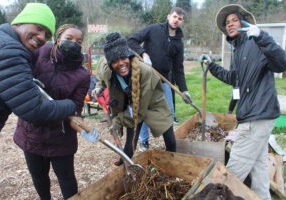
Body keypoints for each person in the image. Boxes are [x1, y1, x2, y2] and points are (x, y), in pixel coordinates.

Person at [199, 4, 286, 200]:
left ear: (244, 22)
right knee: (259, 172)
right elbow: (234, 79)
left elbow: (281, 62)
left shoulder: (256, 42)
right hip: (256, 115)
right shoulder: (238, 51)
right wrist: (211, 66)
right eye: (227, 23)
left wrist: (262, 36)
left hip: (257, 115)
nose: (229, 24)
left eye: (234, 20)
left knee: (231, 174)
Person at [13, 24, 90, 200]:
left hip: (61, 136)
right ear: (58, 39)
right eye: (69, 38)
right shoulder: (40, 53)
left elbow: (76, 106)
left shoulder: (82, 75)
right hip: (31, 132)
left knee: (67, 179)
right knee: (39, 177)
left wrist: (74, 118)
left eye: (79, 41)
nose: (74, 43)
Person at [94, 32, 176, 166]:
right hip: (130, 104)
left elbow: (140, 110)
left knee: (170, 138)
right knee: (131, 139)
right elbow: (102, 79)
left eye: (123, 58)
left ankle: (173, 163)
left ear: (129, 56)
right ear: (110, 63)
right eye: (114, 61)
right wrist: (98, 88)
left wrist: (118, 121)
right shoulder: (106, 69)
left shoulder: (145, 72)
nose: (120, 63)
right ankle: (125, 162)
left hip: (151, 102)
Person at [0, 3, 76, 131]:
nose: (41, 37)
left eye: (47, 35)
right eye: (39, 28)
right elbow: (33, 109)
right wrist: (71, 105)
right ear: (19, 23)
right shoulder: (10, 50)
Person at [128, 7, 191, 151]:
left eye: (180, 19)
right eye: (175, 16)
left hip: (164, 81)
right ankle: (144, 141)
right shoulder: (153, 29)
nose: (176, 20)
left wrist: (184, 90)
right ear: (168, 16)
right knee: (143, 111)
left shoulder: (178, 43)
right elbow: (131, 41)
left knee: (168, 113)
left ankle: (169, 144)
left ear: (182, 22)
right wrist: (143, 53)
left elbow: (178, 68)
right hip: (145, 79)